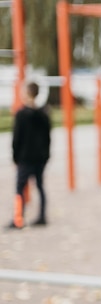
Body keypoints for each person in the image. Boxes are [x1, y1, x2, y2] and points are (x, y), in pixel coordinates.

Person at [7, 81, 51, 229]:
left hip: (25, 159)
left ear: (26, 93)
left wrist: (15, 157)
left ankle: (18, 219)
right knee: (40, 186)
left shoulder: (21, 114)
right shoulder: (44, 114)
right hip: (40, 159)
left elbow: (16, 138)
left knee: (20, 188)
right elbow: (48, 138)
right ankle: (42, 216)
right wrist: (46, 156)